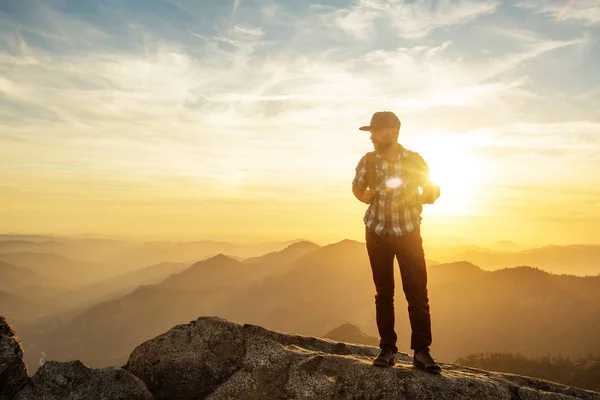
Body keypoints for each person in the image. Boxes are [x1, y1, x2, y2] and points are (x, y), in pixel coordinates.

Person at [352, 111, 442, 374]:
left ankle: (421, 352)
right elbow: (356, 187)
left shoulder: (414, 161)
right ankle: (387, 348)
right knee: (383, 293)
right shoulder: (367, 161)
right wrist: (363, 194)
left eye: (376, 131)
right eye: (371, 132)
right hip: (376, 232)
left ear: (393, 130)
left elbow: (434, 191)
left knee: (416, 293)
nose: (371, 136)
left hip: (407, 233)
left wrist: (417, 199)